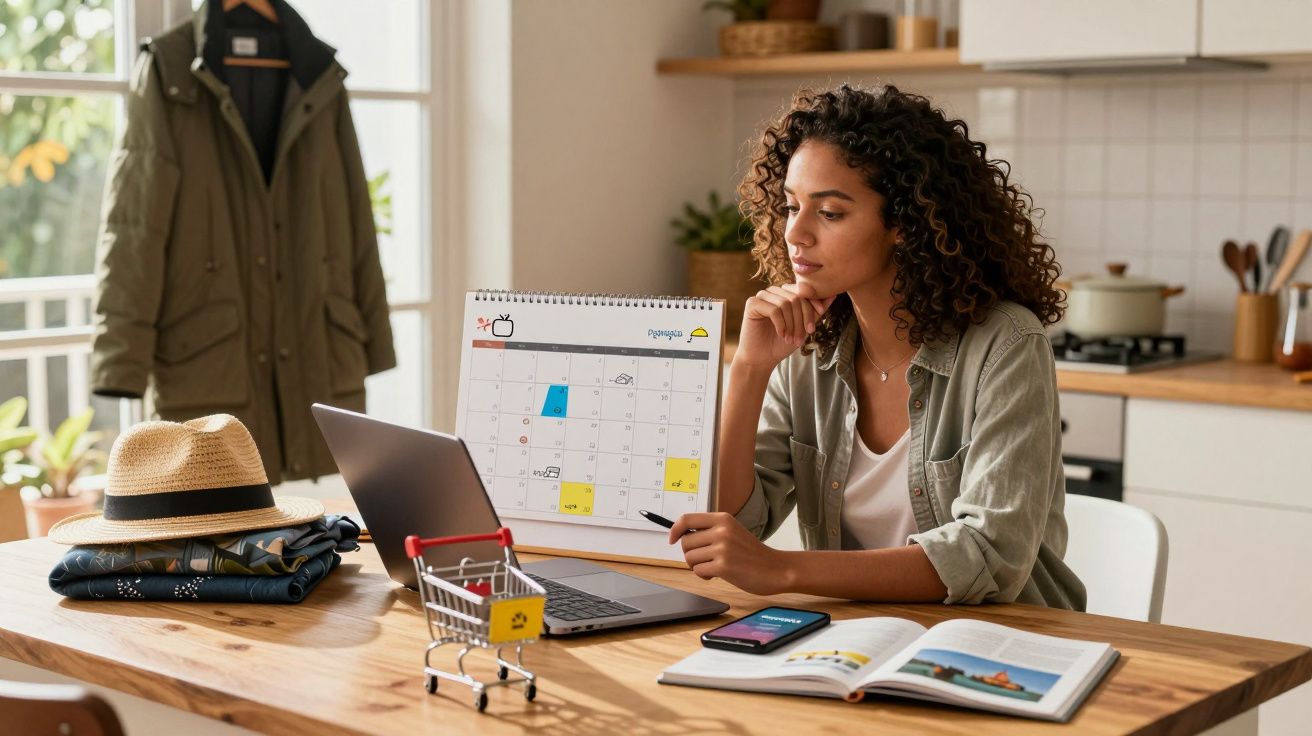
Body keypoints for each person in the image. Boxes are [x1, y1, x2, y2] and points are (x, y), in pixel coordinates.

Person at [668, 84, 1086, 609]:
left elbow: (989, 557)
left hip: (998, 646)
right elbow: (732, 522)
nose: (795, 233)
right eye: (791, 206)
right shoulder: (806, 349)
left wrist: (782, 569)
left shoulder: (1005, 344)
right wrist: (748, 369)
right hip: (848, 642)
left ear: (905, 225)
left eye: (831, 213)